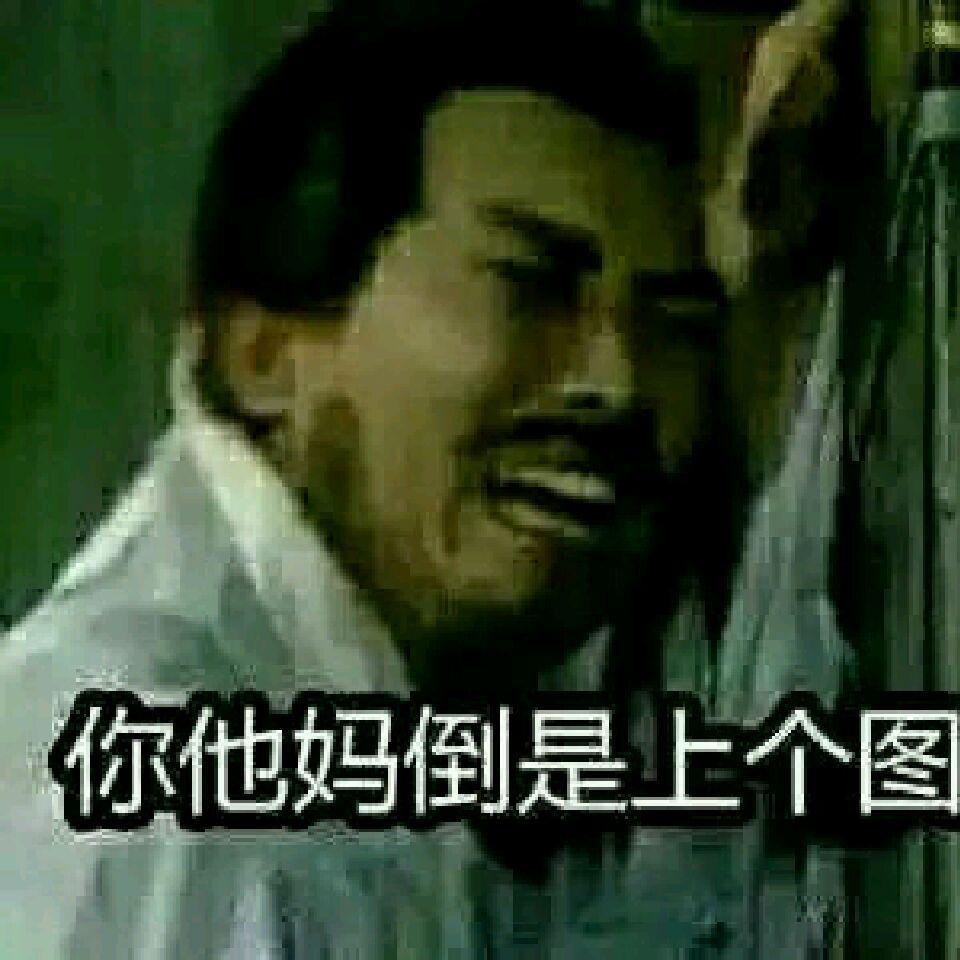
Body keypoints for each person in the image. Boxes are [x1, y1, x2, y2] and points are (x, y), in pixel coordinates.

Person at [0, 0, 864, 955]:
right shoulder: (163, 824)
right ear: (264, 358)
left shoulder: (397, 714)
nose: (621, 382)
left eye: (672, 322)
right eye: (531, 284)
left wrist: (774, 307)